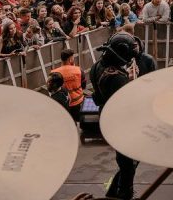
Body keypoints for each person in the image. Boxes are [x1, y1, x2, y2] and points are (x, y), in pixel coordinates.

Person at [90, 33, 139, 200]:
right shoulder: (118, 78)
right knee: (129, 162)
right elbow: (127, 105)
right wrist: (130, 81)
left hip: (106, 116)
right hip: (120, 123)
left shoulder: (97, 66)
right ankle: (123, 194)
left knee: (125, 160)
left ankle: (114, 191)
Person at [51, 48, 86, 122]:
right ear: (70, 59)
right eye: (73, 58)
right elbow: (84, 86)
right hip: (78, 103)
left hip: (62, 105)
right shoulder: (79, 70)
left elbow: (52, 89)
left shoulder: (53, 73)